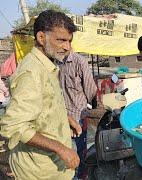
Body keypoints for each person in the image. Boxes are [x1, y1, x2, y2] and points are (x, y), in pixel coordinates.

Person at [0, 10, 79, 179]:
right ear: (41, 38)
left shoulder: (46, 66)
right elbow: (14, 126)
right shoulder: (31, 72)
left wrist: (63, 118)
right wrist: (60, 148)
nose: (67, 47)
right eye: (61, 40)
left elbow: (42, 105)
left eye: (69, 41)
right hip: (38, 172)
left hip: (53, 167)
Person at [58, 51, 97, 179]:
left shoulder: (79, 61)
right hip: (60, 118)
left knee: (80, 151)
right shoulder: (55, 62)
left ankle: (81, 176)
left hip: (78, 116)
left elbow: (91, 90)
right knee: (64, 152)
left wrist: (92, 107)